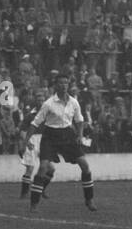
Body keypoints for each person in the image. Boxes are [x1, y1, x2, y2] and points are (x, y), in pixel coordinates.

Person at [23, 75, 96, 211]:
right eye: (61, 83)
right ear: (56, 85)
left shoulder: (74, 102)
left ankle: (89, 200)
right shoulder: (48, 103)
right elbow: (35, 123)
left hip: (68, 135)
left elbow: (79, 120)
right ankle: (34, 204)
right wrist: (26, 141)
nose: (64, 85)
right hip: (50, 136)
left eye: (66, 83)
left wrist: (79, 136)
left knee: (85, 165)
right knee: (43, 167)